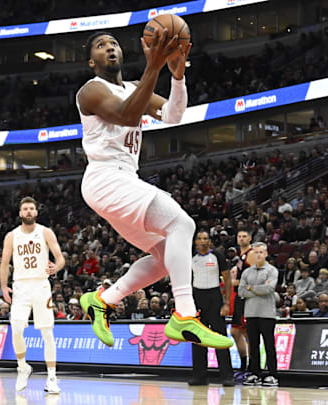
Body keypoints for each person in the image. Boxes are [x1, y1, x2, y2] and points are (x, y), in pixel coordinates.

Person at [75, 30, 231, 349]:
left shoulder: (135, 87)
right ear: (92, 62)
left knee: (163, 256)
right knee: (183, 224)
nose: (110, 48)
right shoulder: (91, 90)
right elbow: (126, 114)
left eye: (114, 43)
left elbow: (174, 116)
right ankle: (185, 314)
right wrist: (154, 67)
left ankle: (102, 299)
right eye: (101, 46)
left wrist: (176, 76)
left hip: (123, 180)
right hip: (106, 177)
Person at [0, 196, 65, 394]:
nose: (28, 212)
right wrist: (3, 286)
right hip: (20, 286)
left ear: (36, 212)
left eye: (31, 209)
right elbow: (4, 263)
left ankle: (52, 377)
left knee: (47, 332)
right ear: (20, 213)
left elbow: (60, 258)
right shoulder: (11, 236)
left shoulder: (45, 232)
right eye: (25, 209)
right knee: (17, 327)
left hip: (41, 285)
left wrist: (57, 267)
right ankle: (22, 367)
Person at [188, 230, 234, 386]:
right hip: (197, 297)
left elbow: (227, 280)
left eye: (205, 238)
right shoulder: (190, 258)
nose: (202, 241)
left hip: (215, 297)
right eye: (199, 239)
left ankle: (227, 376)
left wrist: (226, 302)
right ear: (195, 242)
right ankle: (199, 376)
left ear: (210, 241)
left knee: (220, 337)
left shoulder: (218, 256)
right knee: (197, 338)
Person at [239, 242, 279, 387]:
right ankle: (255, 373)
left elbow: (268, 289)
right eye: (256, 252)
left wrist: (251, 288)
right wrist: (256, 289)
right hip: (250, 314)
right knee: (253, 345)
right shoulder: (246, 272)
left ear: (266, 254)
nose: (258, 255)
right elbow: (241, 292)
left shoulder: (272, 270)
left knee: (269, 345)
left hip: (267, 314)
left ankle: (273, 374)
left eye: (261, 252)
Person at [230, 229, 254, 380]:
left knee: (247, 333)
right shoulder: (240, 255)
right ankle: (243, 365)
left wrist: (236, 282)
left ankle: (251, 367)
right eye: (239, 236)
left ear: (250, 238)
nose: (241, 238)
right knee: (235, 332)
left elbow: (253, 278)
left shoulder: (251, 254)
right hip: (239, 297)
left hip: (246, 298)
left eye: (244, 236)